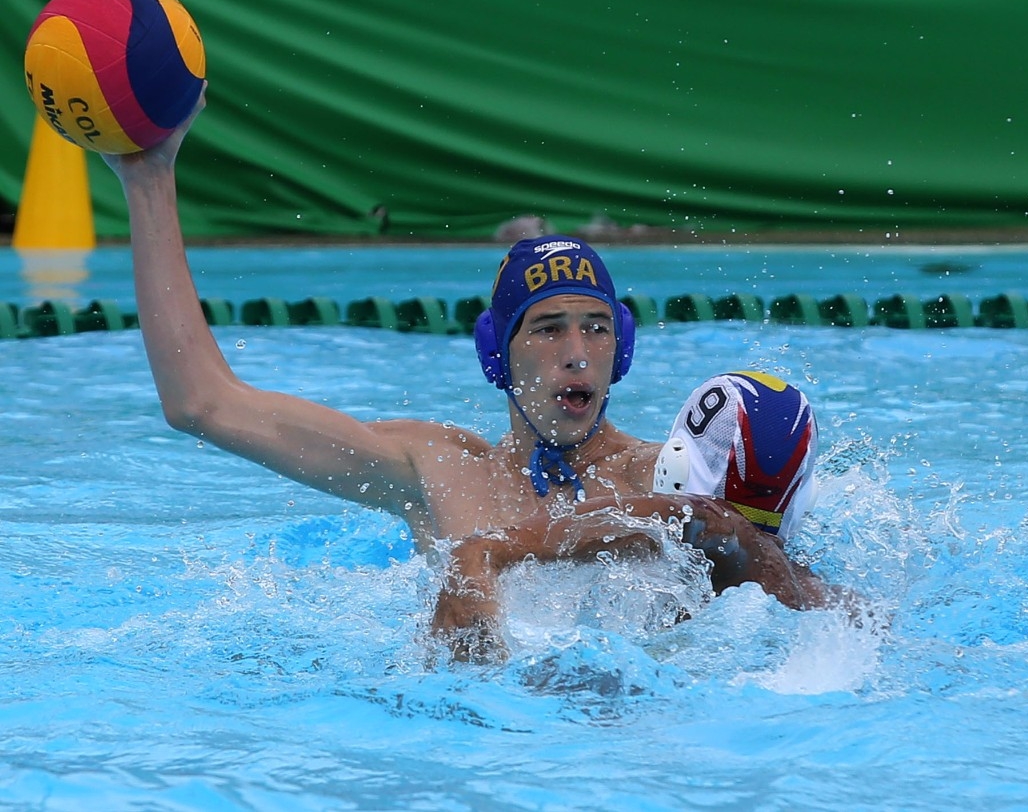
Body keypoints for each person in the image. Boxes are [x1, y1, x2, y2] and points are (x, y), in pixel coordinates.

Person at [98, 86, 818, 618]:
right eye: (548, 328)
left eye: (596, 328)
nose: (576, 352)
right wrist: (148, 178)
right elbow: (201, 404)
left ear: (621, 349)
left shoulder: (664, 478)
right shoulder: (438, 471)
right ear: (498, 356)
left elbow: (796, 604)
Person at [432, 372, 835, 661]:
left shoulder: (723, 533)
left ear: (673, 466)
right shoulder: (817, 593)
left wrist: (486, 550)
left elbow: (688, 514)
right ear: (803, 498)